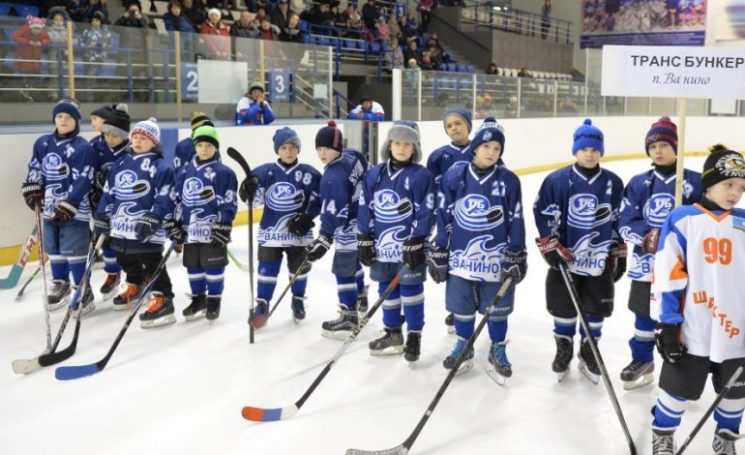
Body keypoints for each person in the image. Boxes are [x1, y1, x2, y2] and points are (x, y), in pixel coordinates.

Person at [649, 146, 745, 455]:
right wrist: (667, 324)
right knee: (676, 389)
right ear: (709, 183)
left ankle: (726, 438)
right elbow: (667, 274)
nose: (735, 193)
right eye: (728, 184)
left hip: (736, 330)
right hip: (693, 327)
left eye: (742, 187)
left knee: (736, 394)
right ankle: (663, 433)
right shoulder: (683, 219)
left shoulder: (744, 222)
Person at [429, 117, 527, 384]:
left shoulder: (508, 180)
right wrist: (440, 249)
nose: (491, 152)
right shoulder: (455, 175)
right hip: (461, 256)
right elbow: (444, 215)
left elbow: (516, 218)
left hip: (496, 258)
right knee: (461, 305)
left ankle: (498, 347)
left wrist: (517, 252)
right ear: (475, 148)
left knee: (497, 309)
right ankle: (464, 344)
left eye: (497, 148)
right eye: (486, 146)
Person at [533, 118, 625, 384]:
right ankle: (564, 347)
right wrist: (550, 245)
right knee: (563, 306)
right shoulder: (557, 181)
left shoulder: (613, 183)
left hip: (598, 258)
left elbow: (619, 218)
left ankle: (589, 349)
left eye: (595, 149)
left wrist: (618, 250)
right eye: (584, 148)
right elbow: (543, 213)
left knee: (596, 307)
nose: (589, 153)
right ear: (576, 150)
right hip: (566, 258)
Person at [617, 117, 702, 391]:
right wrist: (649, 237)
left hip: (684, 267)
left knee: (682, 316)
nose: (658, 151)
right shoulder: (638, 183)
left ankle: (681, 366)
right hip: (647, 266)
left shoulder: (695, 182)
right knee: (643, 315)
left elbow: (706, 221)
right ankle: (643, 360)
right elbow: (624, 221)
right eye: (653, 146)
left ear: (676, 147)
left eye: (664, 145)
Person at [357, 120, 435, 362]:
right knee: (386, 290)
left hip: (408, 248)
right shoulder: (374, 174)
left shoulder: (421, 176)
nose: (402, 148)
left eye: (408, 144)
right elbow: (365, 206)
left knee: (411, 291)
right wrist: (365, 237)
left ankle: (414, 335)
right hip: (381, 246)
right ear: (389, 145)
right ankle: (393, 333)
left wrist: (418, 239)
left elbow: (427, 211)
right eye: (397, 143)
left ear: (415, 148)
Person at [95, 118, 177, 327]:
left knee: (151, 262)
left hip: (146, 228)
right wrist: (102, 215)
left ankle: (163, 298)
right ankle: (135, 283)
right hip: (121, 227)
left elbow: (165, 196)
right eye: (136, 137)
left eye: (144, 139)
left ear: (154, 142)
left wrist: (154, 216)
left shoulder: (160, 167)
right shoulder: (120, 163)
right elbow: (109, 193)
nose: (138, 142)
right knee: (124, 257)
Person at [239, 127, 322, 324]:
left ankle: (298, 300)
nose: (289, 151)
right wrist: (246, 191)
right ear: (277, 150)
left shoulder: (310, 174)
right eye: (284, 147)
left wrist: (307, 217)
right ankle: (263, 303)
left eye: (293, 147)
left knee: (299, 270)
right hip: (271, 233)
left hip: (299, 235)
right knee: (267, 270)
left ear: (298, 149)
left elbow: (319, 200)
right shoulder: (264, 172)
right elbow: (254, 202)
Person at [21, 98, 97, 313]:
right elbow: (35, 168)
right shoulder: (42, 143)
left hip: (74, 211)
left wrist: (70, 202)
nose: (63, 120)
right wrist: (32, 188)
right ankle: (60, 283)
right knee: (53, 248)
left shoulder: (83, 147)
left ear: (77, 120)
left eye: (68, 117)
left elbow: (84, 178)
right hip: (49, 208)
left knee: (74, 250)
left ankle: (83, 289)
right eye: (59, 116)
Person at [304, 121, 369, 339]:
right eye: (319, 149)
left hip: (348, 226)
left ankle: (349, 317)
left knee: (342, 269)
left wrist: (324, 237)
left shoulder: (332, 178)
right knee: (354, 262)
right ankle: (361, 297)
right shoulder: (353, 155)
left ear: (338, 148)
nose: (322, 154)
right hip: (364, 220)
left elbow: (332, 214)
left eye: (327, 149)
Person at [170, 125, 237, 321]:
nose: (204, 149)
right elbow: (178, 199)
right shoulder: (185, 170)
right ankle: (199, 299)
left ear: (216, 147)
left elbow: (228, 201)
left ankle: (214, 300)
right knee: (193, 265)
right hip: (190, 229)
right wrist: (175, 222)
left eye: (209, 145)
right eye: (200, 145)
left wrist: (223, 224)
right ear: (195, 147)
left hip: (212, 230)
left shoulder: (224, 172)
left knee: (213, 265)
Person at [426, 107, 473, 334]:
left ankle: (477, 302)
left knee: (475, 259)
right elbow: (431, 192)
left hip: (476, 220)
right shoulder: (438, 156)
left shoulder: (483, 148)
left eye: (458, 123)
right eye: (449, 125)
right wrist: (435, 220)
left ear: (468, 125)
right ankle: (458, 309)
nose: (454, 128)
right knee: (454, 265)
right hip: (448, 221)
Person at [94, 104, 131, 300]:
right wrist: (94, 184)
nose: (109, 138)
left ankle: (136, 280)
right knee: (106, 242)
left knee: (129, 246)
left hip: (126, 208)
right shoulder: (97, 146)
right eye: (106, 133)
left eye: (114, 135)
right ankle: (112, 274)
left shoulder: (133, 151)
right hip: (103, 205)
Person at [12, 16, 52, 101]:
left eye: (38, 29)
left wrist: (41, 42)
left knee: (35, 78)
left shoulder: (43, 32)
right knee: (24, 78)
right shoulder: (24, 29)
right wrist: (28, 41)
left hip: (35, 61)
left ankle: (30, 93)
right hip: (23, 59)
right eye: (35, 28)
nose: (37, 30)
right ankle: (23, 94)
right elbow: (15, 37)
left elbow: (49, 39)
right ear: (31, 27)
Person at [81, 11, 112, 79]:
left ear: (101, 22)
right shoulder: (86, 32)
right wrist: (87, 47)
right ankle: (90, 81)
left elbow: (108, 46)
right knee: (89, 68)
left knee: (93, 68)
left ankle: (91, 81)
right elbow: (81, 44)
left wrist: (98, 45)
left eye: (97, 21)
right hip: (87, 57)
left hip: (100, 57)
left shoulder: (106, 33)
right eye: (93, 20)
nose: (94, 22)